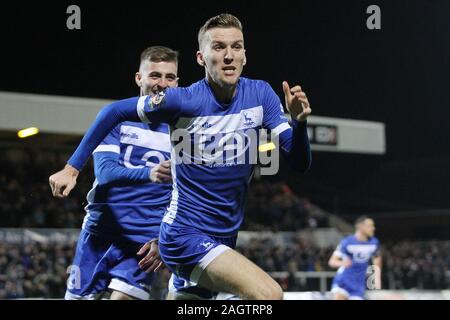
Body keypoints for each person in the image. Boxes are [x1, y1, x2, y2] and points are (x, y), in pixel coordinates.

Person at [49, 13, 312, 300]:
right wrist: (72, 168)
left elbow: (298, 162)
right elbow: (111, 112)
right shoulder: (182, 100)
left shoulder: (262, 95)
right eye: (219, 47)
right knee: (269, 296)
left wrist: (299, 124)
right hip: (183, 236)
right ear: (201, 58)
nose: (228, 56)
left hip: (222, 237)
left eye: (236, 47)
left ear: (245, 55)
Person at [62, 46, 178, 300]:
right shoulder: (118, 119)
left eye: (170, 77)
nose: (162, 84)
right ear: (139, 78)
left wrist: (165, 238)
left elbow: (187, 195)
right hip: (100, 233)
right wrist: (150, 173)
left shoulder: (182, 132)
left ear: (177, 82)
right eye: (155, 75)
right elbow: (105, 173)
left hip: (143, 242)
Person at [328, 216, 382, 300]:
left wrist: (376, 274)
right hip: (343, 281)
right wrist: (342, 263)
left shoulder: (374, 243)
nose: (373, 228)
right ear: (361, 227)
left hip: (359, 285)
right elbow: (332, 261)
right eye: (370, 226)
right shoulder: (347, 242)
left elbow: (377, 257)